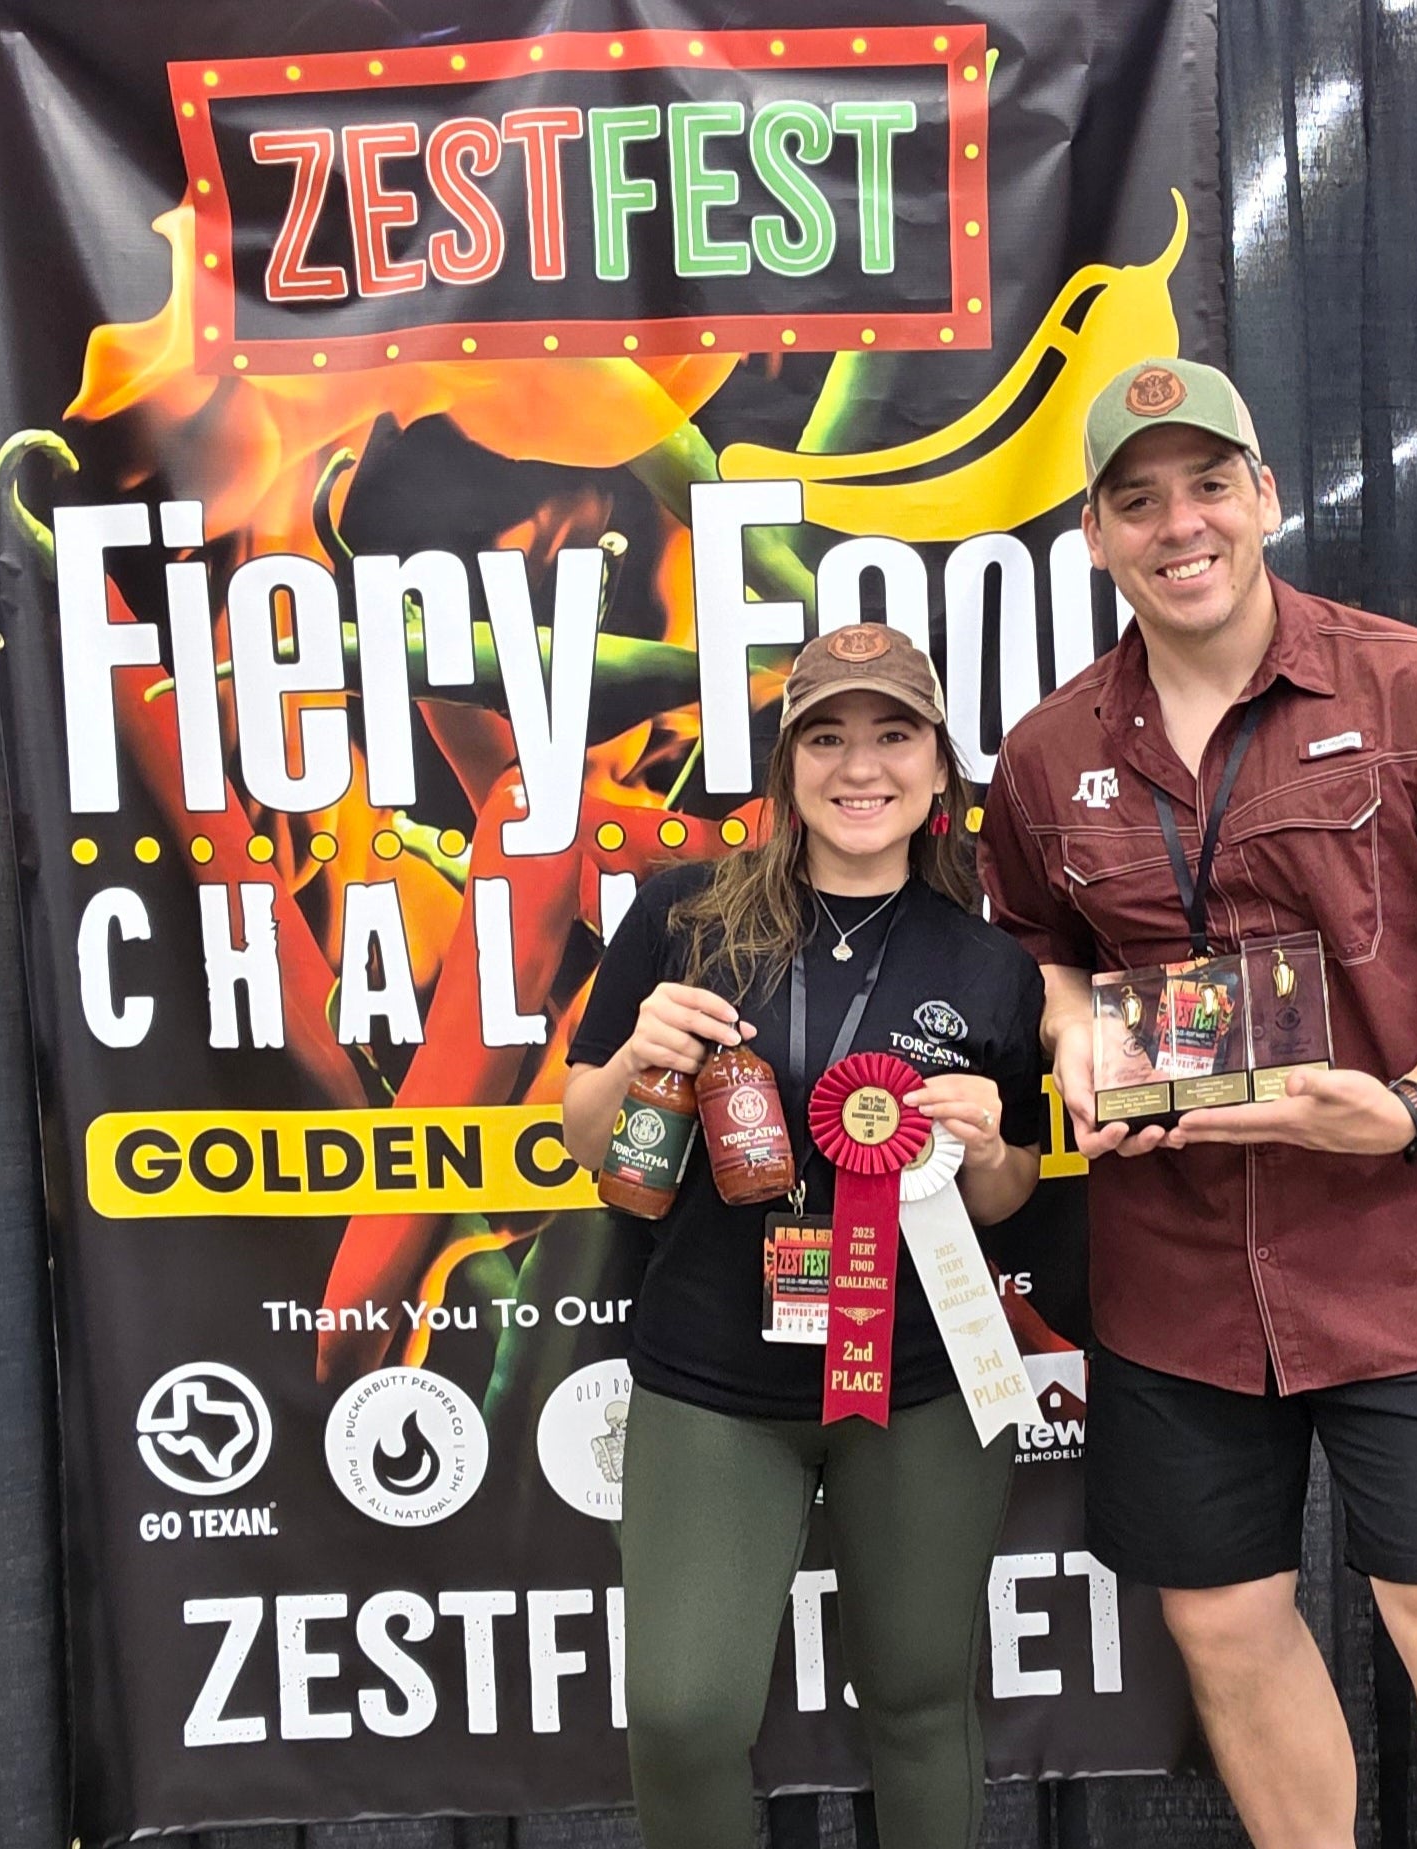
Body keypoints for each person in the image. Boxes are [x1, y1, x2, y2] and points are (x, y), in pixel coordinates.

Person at [978, 357, 1417, 1849]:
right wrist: (1066, 1032)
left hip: (1403, 1256)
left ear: (1265, 496)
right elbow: (1040, 950)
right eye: (1139, 501)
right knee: (1223, 1625)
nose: (1179, 525)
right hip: (1173, 1278)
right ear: (1094, 536)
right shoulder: (1049, 753)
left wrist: (1415, 1104)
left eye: (1209, 485)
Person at [562, 625, 1044, 1849]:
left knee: (922, 1703)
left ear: (939, 768)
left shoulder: (991, 964)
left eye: (893, 734)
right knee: (681, 1714)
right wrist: (633, 1059)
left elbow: (1007, 1193)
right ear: (786, 767)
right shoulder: (683, 914)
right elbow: (582, 1134)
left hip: (919, 1382)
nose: (860, 766)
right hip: (714, 1376)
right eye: (826, 736)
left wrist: (990, 1144)